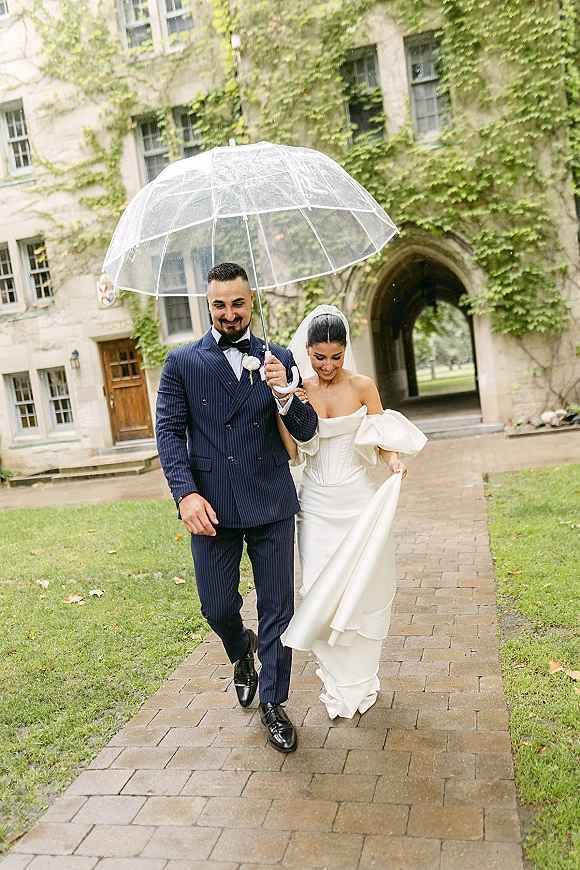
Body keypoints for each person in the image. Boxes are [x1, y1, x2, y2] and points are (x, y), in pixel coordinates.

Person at [155, 262, 318, 752]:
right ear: (209, 306)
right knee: (217, 606)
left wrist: (285, 393)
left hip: (269, 499)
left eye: (238, 303)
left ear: (252, 301)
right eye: (220, 305)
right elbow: (168, 433)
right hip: (211, 506)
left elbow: (307, 430)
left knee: (278, 608)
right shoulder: (181, 363)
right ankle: (240, 649)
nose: (230, 314)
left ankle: (273, 702)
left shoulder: (279, 357)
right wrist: (185, 494)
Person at [280, 306, 427, 719]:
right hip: (314, 503)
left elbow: (380, 436)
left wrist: (393, 461)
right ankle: (334, 678)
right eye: (319, 357)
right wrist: (286, 406)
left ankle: (360, 677)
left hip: (356, 498)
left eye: (336, 357)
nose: (327, 366)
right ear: (306, 350)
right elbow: (293, 453)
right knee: (318, 588)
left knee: (361, 588)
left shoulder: (363, 386)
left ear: (346, 351)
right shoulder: (299, 391)